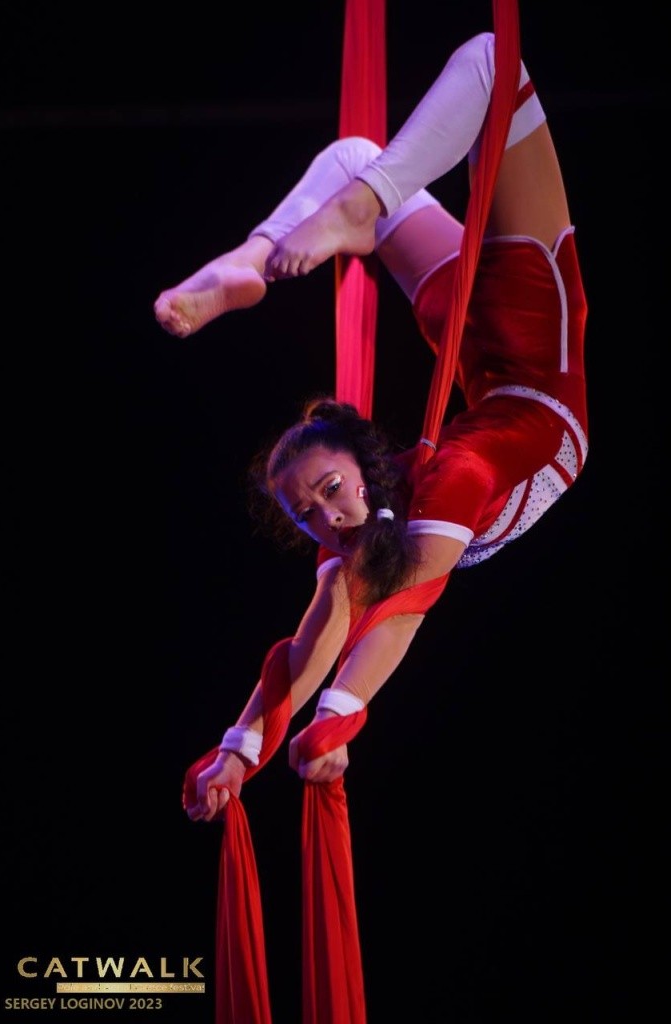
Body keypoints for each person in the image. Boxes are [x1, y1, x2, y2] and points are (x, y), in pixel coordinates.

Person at [154, 30, 588, 822]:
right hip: (514, 341)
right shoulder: (399, 509)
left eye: (327, 490)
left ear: (364, 464)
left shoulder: (445, 476)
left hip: (511, 337)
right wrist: (238, 754)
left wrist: (335, 717)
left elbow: (402, 607)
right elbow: (312, 640)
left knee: (483, 69)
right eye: (307, 514)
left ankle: (259, 255)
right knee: (404, 125)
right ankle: (340, 217)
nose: (329, 517)